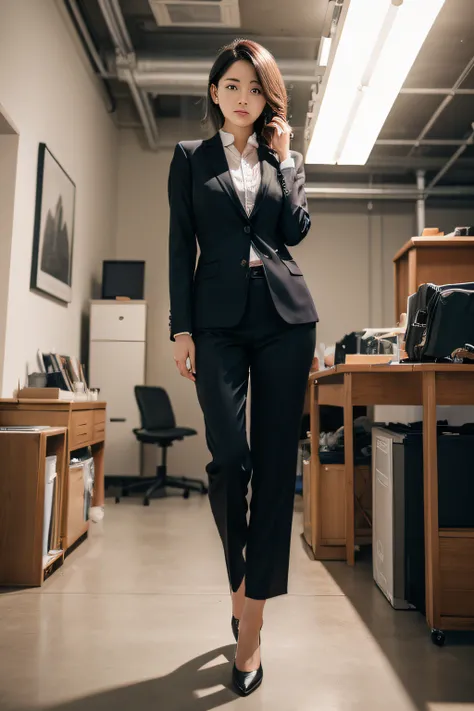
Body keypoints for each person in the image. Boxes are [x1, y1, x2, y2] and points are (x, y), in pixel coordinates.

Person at [168, 38, 318, 697]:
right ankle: (241, 581)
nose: (242, 97)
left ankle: (250, 626)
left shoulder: (284, 156)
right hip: (218, 323)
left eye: (254, 89)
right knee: (230, 458)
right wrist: (181, 328)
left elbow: (295, 230)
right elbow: (180, 244)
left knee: (277, 464)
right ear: (214, 92)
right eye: (231, 85)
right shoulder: (190, 160)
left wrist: (284, 164)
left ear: (267, 99)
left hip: (286, 320)